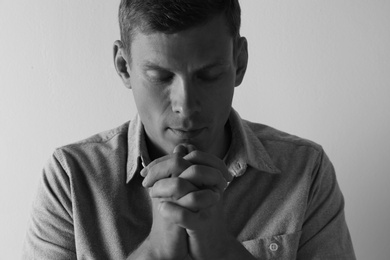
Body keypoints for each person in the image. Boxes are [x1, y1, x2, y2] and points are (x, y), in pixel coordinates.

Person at [23, 0, 356, 259]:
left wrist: (222, 250)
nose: (186, 104)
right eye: (161, 77)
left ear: (238, 63)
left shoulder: (304, 171)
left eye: (208, 75)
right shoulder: (70, 178)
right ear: (124, 67)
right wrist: (155, 251)